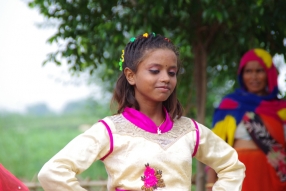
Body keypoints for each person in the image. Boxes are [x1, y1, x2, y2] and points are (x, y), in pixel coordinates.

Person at [38, 32, 245, 191]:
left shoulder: (189, 131)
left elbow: (232, 166)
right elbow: (53, 172)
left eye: (171, 72)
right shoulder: (110, 131)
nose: (165, 78)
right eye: (155, 71)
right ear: (131, 76)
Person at [207, 48, 286, 191]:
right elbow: (215, 149)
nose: (253, 77)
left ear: (269, 74)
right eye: (248, 71)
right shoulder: (229, 105)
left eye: (259, 71)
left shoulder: (282, 110)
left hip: (272, 180)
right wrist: (210, 184)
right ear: (241, 75)